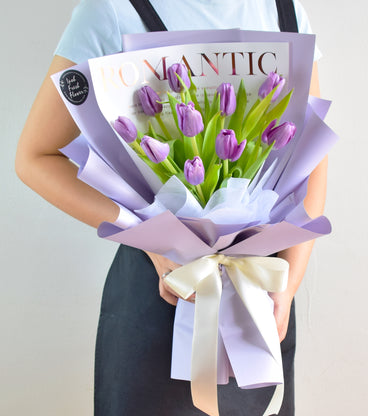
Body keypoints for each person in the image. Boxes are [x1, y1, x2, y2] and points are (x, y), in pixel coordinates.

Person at [15, 0, 327, 415]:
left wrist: (287, 285)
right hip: (162, 290)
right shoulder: (110, 11)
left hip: (261, 296)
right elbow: (35, 158)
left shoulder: (284, 10)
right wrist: (155, 242)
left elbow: (310, 156)